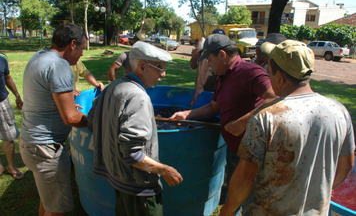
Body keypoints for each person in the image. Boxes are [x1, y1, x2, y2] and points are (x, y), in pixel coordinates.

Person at [220, 40, 355, 216]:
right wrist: (319, 193)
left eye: (269, 72)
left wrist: (227, 211)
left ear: (280, 77)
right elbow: (346, 165)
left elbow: (245, 177)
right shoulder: (339, 110)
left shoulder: (266, 117)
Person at [170, 34, 277, 215]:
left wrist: (243, 122)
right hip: (235, 150)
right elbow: (213, 108)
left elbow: (275, 98)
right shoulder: (222, 77)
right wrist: (187, 114)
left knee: (252, 202)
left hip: (254, 153)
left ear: (222, 55)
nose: (209, 65)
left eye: (210, 60)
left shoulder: (251, 72)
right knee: (235, 196)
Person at [88, 42, 183, 216]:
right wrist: (164, 170)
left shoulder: (112, 87)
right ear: (142, 67)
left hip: (118, 179)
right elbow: (132, 154)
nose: (164, 74)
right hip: (139, 188)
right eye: (160, 68)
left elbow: (92, 121)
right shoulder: (138, 97)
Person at [19, 23, 88, 216]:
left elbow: (47, 96)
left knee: (48, 200)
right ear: (72, 44)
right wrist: (95, 121)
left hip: (30, 143)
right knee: (58, 211)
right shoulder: (60, 65)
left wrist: (69, 103)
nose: (82, 55)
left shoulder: (40, 56)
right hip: (46, 149)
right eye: (82, 49)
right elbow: (71, 118)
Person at [0, 51, 24, 180]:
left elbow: (7, 77)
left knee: (8, 136)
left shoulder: (2, 57)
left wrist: (17, 96)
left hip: (2, 102)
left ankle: (11, 167)